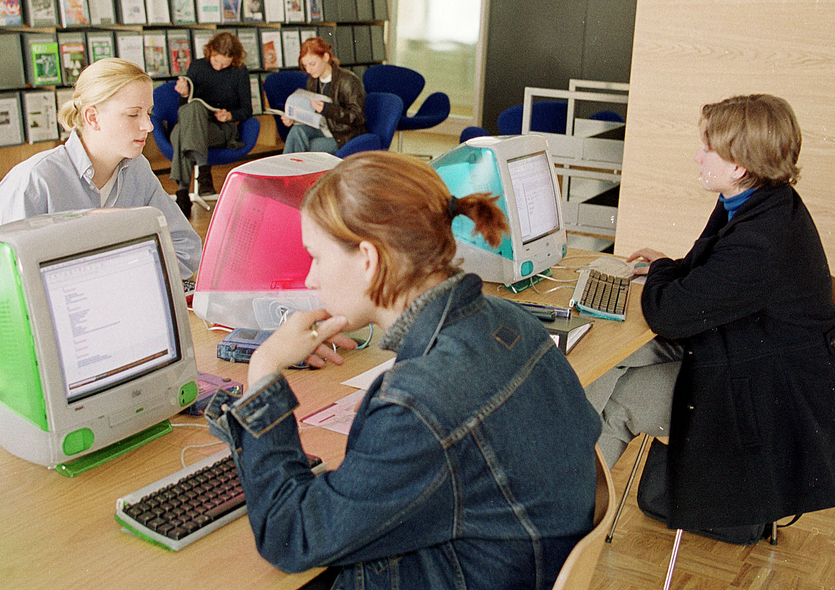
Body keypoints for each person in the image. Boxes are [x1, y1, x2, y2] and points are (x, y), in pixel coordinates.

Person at [205, 152, 601, 590]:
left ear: (369, 259)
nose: (311, 279)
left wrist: (263, 370)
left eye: (315, 257)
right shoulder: (512, 322)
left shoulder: (416, 402)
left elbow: (291, 536)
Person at [587, 93, 835, 543]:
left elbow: (671, 314)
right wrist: (669, 270)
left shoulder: (762, 240)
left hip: (772, 401)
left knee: (619, 397)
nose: (698, 154)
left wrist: (658, 270)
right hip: (749, 352)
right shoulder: (755, 202)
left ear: (739, 165)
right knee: (605, 361)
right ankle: (555, 485)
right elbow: (700, 276)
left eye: (708, 147)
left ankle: (568, 526)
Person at [0, 58, 201, 279]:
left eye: (148, 113)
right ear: (92, 117)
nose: (149, 126)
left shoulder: (136, 169)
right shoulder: (34, 181)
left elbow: (187, 249)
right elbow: (3, 280)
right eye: (133, 114)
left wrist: (120, 275)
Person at [170, 32, 253, 217]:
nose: (218, 66)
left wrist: (230, 115)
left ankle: (182, 191)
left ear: (234, 59)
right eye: (216, 60)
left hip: (221, 129)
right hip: (198, 126)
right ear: (210, 52)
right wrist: (184, 94)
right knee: (194, 107)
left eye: (224, 64)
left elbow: (247, 110)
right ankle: (202, 172)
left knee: (179, 135)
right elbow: (183, 108)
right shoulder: (198, 67)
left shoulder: (239, 71)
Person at [281, 37, 366, 154]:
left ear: (326, 57)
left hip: (343, 135)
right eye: (305, 65)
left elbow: (358, 117)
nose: (309, 70)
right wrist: (294, 119)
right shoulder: (312, 80)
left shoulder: (347, 80)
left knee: (310, 146)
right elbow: (311, 112)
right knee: (296, 131)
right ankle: (287, 170)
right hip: (323, 127)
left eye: (312, 64)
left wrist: (327, 109)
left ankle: (293, 169)